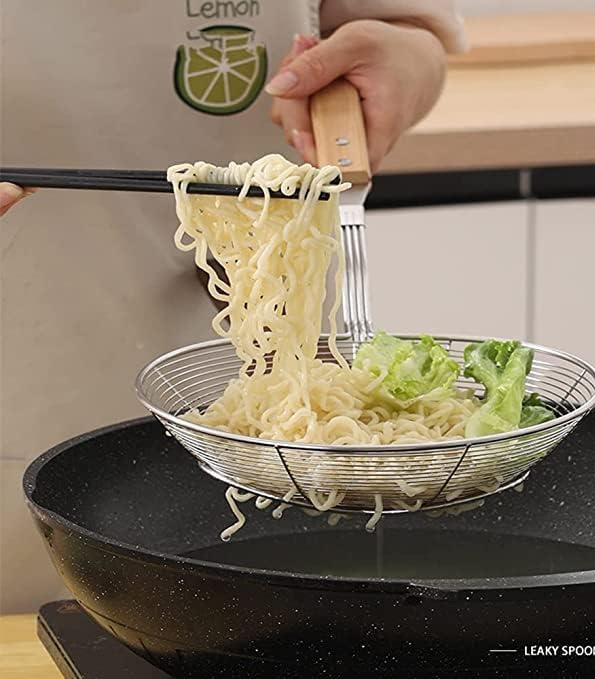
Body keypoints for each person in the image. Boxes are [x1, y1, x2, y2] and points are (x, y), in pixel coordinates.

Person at [0, 1, 465, 612]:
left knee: (280, 606)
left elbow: (407, 30)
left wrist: (406, 60)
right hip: (34, 333)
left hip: (284, 360)